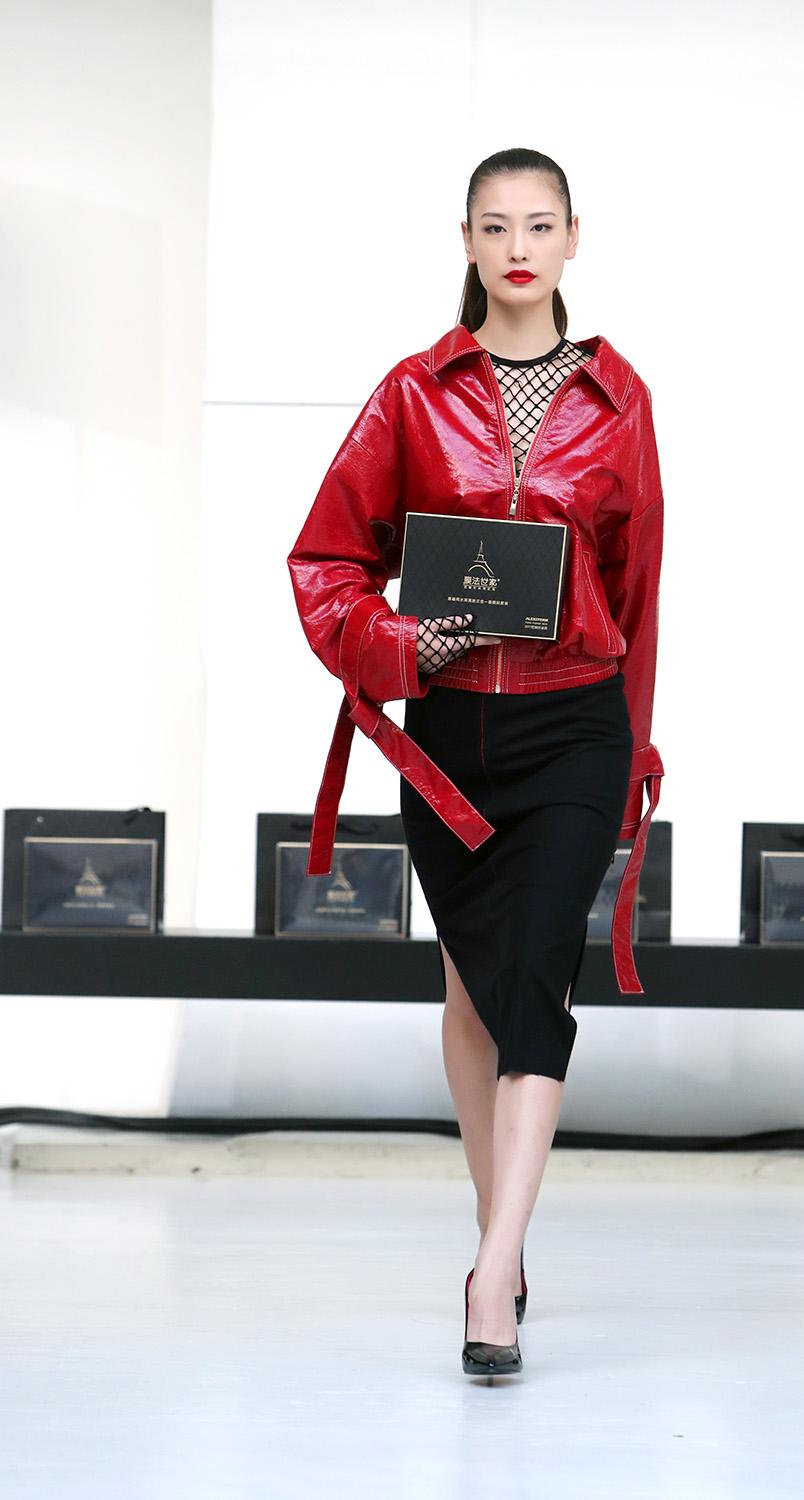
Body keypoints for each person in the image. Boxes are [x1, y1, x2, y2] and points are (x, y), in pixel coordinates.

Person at [287, 147, 664, 1376]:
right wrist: (403, 645)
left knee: (538, 981)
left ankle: (493, 1273)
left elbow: (637, 590)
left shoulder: (619, 399)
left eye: (538, 225)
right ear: (465, 241)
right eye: (494, 226)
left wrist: (633, 752)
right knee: (467, 997)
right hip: (451, 737)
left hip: (573, 725)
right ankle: (496, 1224)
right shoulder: (412, 394)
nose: (517, 247)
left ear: (571, 240)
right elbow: (326, 561)